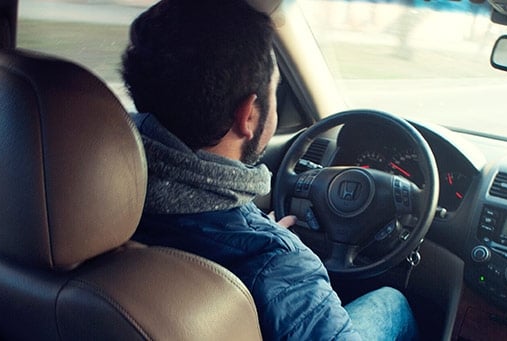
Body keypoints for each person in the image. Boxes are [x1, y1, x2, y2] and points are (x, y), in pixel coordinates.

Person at [120, 0, 418, 340]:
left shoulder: (84, 203)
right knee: (394, 304)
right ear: (247, 115)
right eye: (274, 91)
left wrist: (258, 231)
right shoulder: (277, 264)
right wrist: (274, 249)